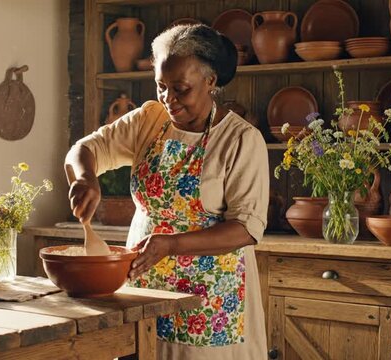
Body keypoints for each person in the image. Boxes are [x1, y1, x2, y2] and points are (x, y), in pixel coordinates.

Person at [65, 24, 269, 359]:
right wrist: (86, 177)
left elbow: (245, 229)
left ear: (211, 82)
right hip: (142, 290)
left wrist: (170, 244)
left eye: (181, 89)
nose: (168, 99)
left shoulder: (240, 139)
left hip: (211, 302)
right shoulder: (150, 119)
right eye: (161, 86)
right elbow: (85, 148)